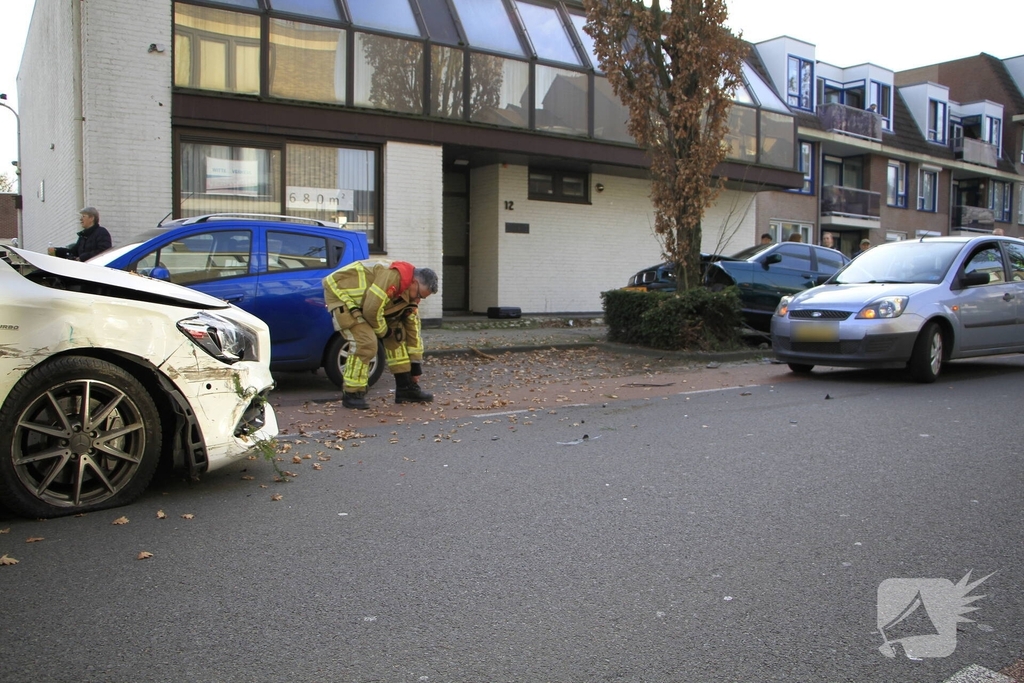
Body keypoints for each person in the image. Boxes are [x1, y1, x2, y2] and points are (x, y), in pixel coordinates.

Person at [322, 259, 439, 410]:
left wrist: (416, 366)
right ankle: (352, 394)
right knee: (366, 343)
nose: (418, 300)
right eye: (419, 295)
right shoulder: (391, 276)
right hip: (343, 296)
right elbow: (371, 310)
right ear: (414, 283)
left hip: (370, 305)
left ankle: (405, 388)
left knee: (398, 336)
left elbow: (412, 328)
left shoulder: (408, 294)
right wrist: (384, 331)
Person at [48, 207, 112, 261]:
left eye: (83, 216)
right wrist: (56, 251)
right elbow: (73, 252)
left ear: (91, 218)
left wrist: (82, 257)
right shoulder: (83, 236)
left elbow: (104, 252)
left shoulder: (101, 232)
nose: (81, 219)